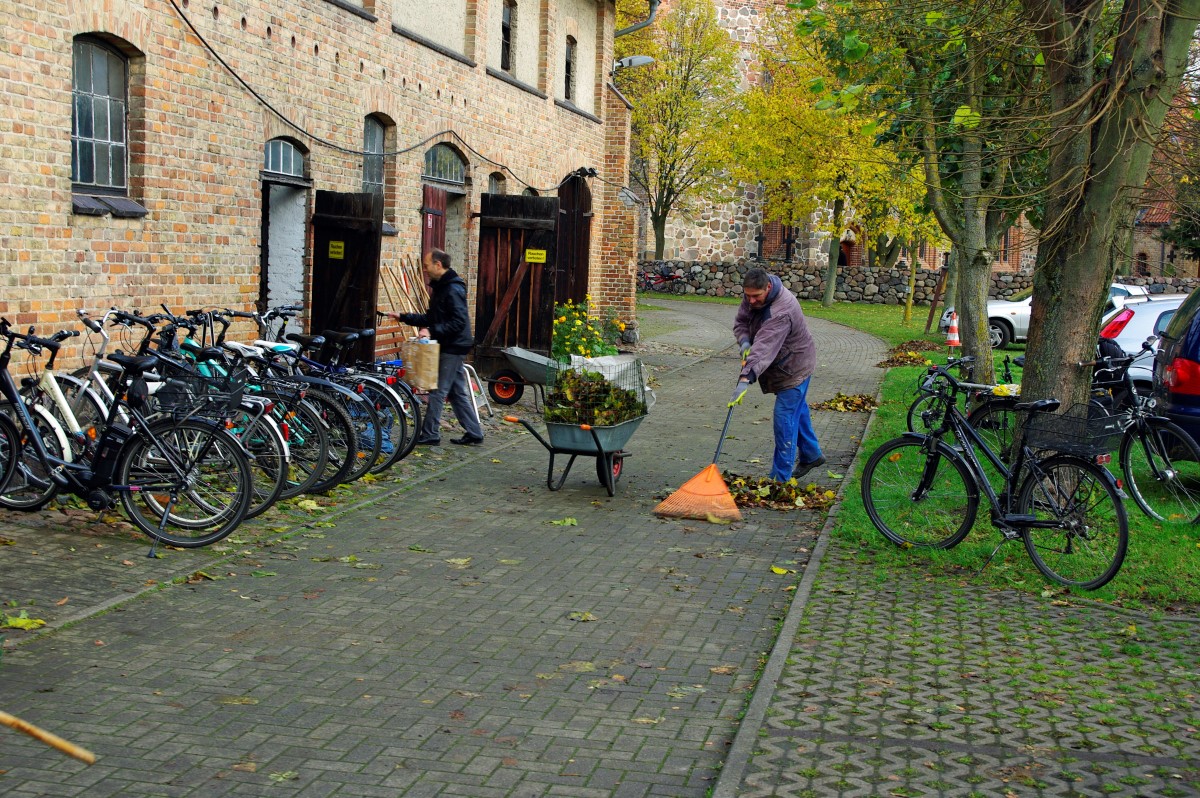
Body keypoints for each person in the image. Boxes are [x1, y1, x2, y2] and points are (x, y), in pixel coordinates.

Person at [731, 267, 824, 482]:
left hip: (794, 366)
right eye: (747, 296)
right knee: (797, 410)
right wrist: (744, 342)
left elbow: (764, 347)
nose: (751, 301)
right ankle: (812, 455)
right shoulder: (754, 294)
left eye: (756, 296)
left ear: (768, 287)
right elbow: (742, 321)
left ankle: (779, 480)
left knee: (784, 419)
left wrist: (745, 378)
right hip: (782, 363)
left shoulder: (782, 311)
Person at [387, 248, 485, 446]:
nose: (424, 270)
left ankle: (430, 434)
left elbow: (458, 322)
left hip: (453, 346)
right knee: (456, 392)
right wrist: (404, 317)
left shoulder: (453, 289)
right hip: (451, 344)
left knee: (438, 390)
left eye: (426, 266)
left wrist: (432, 331)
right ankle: (474, 432)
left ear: (438, 265)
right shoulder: (442, 287)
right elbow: (431, 318)